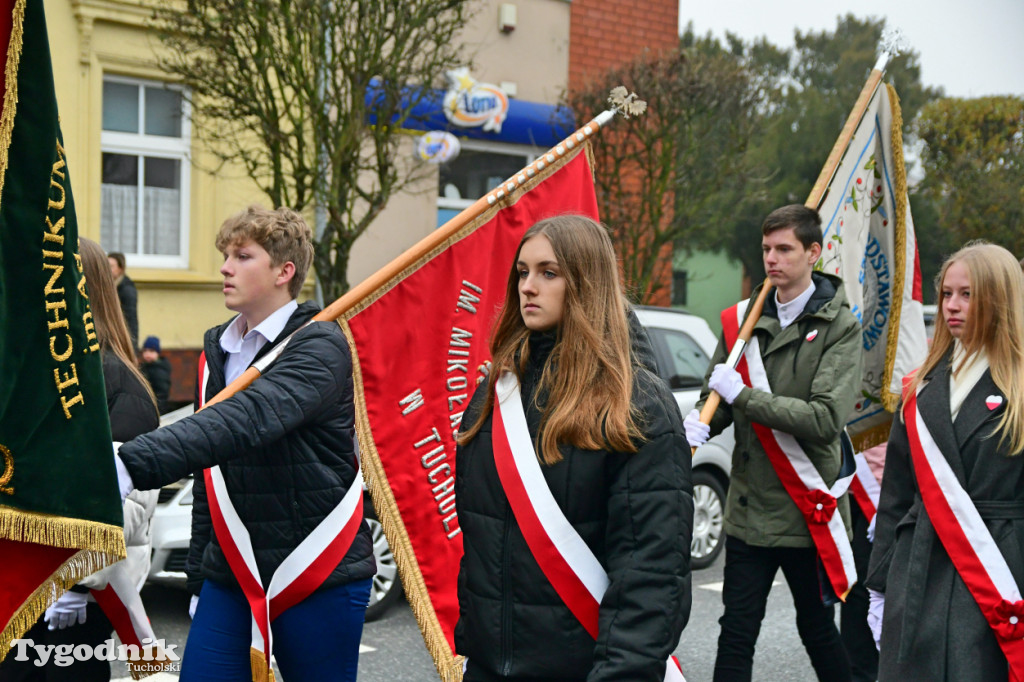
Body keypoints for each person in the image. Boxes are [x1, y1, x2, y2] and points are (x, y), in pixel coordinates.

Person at [112, 206, 374, 682]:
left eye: (242, 256)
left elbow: (247, 418)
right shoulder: (218, 351)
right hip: (232, 573)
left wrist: (132, 463)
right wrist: (198, 578)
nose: (224, 267)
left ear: (283, 271)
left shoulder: (320, 346)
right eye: (225, 255)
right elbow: (209, 475)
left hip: (316, 570)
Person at [454, 214, 694, 681]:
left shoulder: (637, 403)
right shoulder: (493, 394)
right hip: (487, 667)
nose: (528, 286)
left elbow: (650, 573)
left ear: (586, 281)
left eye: (549, 272)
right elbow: (478, 544)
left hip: (586, 670)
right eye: (522, 272)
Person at [685, 204, 863, 682]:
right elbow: (717, 397)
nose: (772, 259)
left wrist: (744, 396)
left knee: (818, 632)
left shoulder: (840, 326)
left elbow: (825, 419)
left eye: (784, 249)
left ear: (813, 253)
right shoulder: (743, 319)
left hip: (806, 509)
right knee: (736, 633)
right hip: (747, 511)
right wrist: (703, 420)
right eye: (766, 248)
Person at [0, 238, 159, 682]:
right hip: (23, 582)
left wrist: (74, 582)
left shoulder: (118, 383)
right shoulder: (37, 373)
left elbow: (123, 504)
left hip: (79, 596)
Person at [865, 242, 1024, 680]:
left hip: (999, 572)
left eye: (968, 295)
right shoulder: (921, 386)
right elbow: (896, 493)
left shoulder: (1021, 387)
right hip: (920, 571)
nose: (952, 306)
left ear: (1000, 298)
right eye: (947, 294)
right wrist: (879, 586)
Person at [107, 252, 138, 350]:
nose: (107, 269)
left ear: (120, 269)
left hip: (121, 343)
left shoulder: (126, 290)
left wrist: (132, 348)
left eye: (111, 266)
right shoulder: (109, 287)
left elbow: (131, 320)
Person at [139, 335, 171, 414]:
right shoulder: (145, 367)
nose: (148, 354)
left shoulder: (159, 371)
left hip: (155, 410)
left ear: (158, 353)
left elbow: (161, 395)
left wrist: (158, 413)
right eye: (145, 351)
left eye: (151, 351)